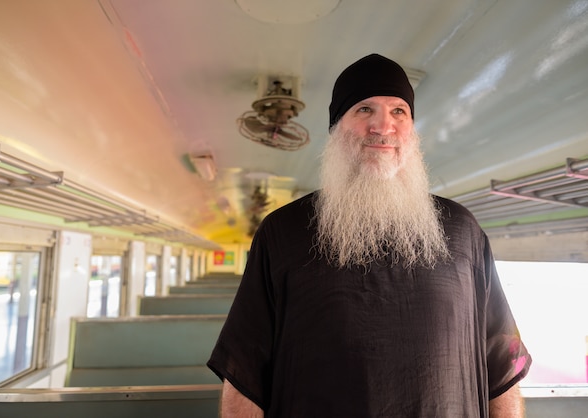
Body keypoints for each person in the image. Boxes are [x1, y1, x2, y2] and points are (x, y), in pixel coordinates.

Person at [207, 53, 531, 417]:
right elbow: (245, 373)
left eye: (398, 112)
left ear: (411, 128)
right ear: (336, 127)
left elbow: (503, 363)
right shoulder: (283, 233)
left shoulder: (461, 230)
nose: (383, 126)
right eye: (364, 110)